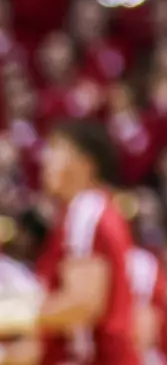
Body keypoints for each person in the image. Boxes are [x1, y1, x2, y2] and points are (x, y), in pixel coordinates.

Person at [18, 121, 137, 365]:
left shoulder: (86, 210)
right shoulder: (82, 212)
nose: (46, 160)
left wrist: (11, 314)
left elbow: (82, 304)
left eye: (56, 150)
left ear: (86, 164)